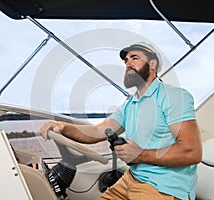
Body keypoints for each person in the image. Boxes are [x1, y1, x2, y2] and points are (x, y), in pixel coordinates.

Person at [40, 42, 202, 200]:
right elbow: (97, 131)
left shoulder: (174, 97)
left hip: (163, 187)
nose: (128, 64)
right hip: (131, 178)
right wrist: (62, 127)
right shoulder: (130, 104)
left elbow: (191, 152)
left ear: (152, 64)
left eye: (134, 58)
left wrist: (140, 155)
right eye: (126, 60)